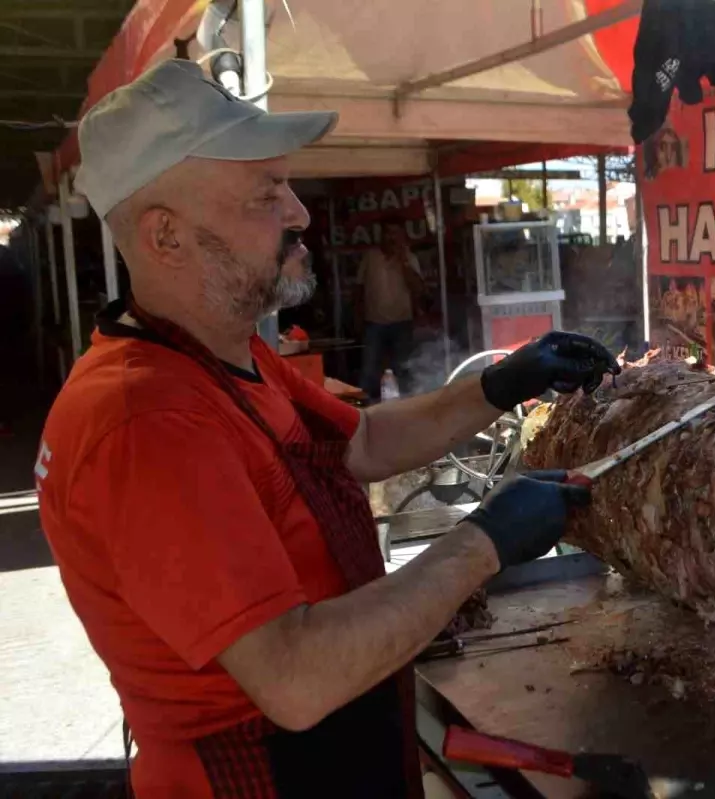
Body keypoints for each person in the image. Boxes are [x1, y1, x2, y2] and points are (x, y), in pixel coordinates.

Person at [35, 59, 619, 799]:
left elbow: (363, 444)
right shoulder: (146, 423)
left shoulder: (225, 354)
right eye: (265, 193)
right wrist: (484, 540)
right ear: (166, 237)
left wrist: (500, 384)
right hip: (262, 776)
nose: (300, 213)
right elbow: (293, 676)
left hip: (339, 750)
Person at [357, 223, 424, 399]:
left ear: (403, 237)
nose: (391, 238)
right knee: (369, 369)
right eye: (388, 233)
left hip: (402, 322)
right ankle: (364, 408)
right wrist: (357, 318)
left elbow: (417, 288)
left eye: (396, 233)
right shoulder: (370, 257)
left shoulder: (410, 258)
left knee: (402, 368)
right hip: (374, 322)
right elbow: (358, 289)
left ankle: (406, 406)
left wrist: (403, 261)